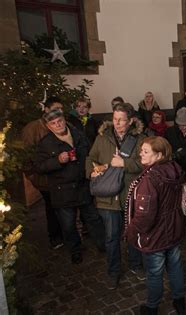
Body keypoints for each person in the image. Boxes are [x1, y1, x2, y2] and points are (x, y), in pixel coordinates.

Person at [86, 103, 146, 290]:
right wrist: (92, 171)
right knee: (111, 237)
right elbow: (90, 158)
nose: (117, 123)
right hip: (107, 197)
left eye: (121, 119)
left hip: (131, 195)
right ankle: (113, 272)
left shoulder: (140, 138)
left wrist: (124, 163)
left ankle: (136, 264)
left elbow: (145, 163)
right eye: (114, 118)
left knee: (132, 233)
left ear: (130, 121)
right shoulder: (102, 137)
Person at [34, 109, 105, 264]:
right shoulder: (45, 143)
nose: (58, 125)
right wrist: (57, 160)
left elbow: (90, 153)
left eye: (59, 121)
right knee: (68, 225)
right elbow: (39, 167)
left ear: (64, 120)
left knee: (93, 218)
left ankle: (103, 244)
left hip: (82, 186)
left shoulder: (78, 135)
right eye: (53, 123)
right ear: (48, 126)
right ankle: (75, 250)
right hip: (62, 191)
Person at [125, 137, 186, 315]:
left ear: (158, 154)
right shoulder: (175, 168)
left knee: (154, 272)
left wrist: (131, 230)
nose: (140, 154)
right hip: (174, 228)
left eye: (145, 151)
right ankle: (179, 301)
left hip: (155, 236)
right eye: (141, 150)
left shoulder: (150, 179)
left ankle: (152, 307)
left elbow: (145, 216)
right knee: (175, 267)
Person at [22, 96, 64, 249]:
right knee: (51, 208)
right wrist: (33, 176)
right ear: (46, 110)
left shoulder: (63, 125)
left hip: (62, 175)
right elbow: (27, 156)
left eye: (61, 109)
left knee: (62, 207)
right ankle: (55, 237)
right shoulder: (32, 128)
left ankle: (65, 234)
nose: (59, 112)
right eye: (55, 109)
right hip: (44, 177)